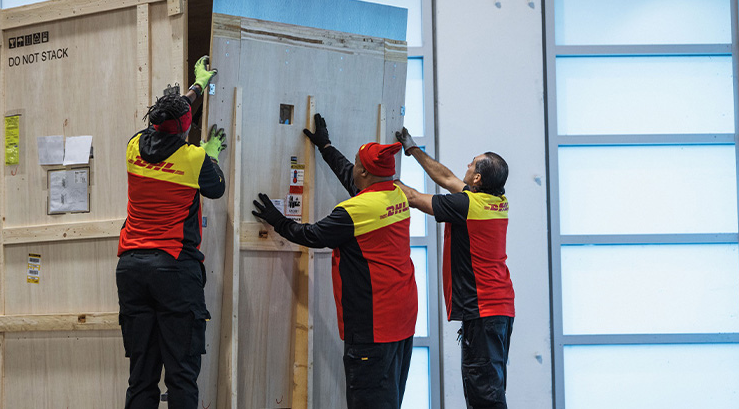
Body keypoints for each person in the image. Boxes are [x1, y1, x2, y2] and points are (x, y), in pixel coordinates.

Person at [250, 113, 417, 409]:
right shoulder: (396, 196)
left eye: (357, 164)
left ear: (365, 172)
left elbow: (311, 235)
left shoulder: (355, 211)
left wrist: (277, 219)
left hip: (372, 328)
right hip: (402, 322)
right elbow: (352, 177)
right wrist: (326, 147)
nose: (353, 167)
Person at [116, 55, 226, 409]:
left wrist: (198, 87)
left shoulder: (134, 147)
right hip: (174, 270)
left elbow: (169, 119)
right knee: (181, 375)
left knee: (141, 376)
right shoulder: (194, 160)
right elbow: (216, 188)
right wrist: (211, 154)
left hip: (132, 269)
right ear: (185, 128)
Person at [395, 127, 514, 409]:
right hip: (499, 308)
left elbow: (412, 197)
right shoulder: (496, 201)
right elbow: (446, 177)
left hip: (483, 310)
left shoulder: (466, 205)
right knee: (490, 388)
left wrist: (381, 180)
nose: (466, 165)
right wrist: (413, 150)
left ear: (477, 178)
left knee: (484, 394)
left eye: (471, 164)